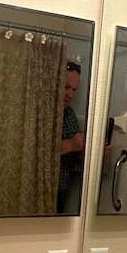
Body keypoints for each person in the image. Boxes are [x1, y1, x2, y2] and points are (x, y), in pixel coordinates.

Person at [57, 61, 84, 213]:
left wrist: (89, 148)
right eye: (66, 87)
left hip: (60, 194)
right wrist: (71, 144)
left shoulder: (69, 114)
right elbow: (36, 152)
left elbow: (77, 154)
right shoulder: (38, 112)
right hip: (36, 192)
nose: (70, 95)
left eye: (74, 89)